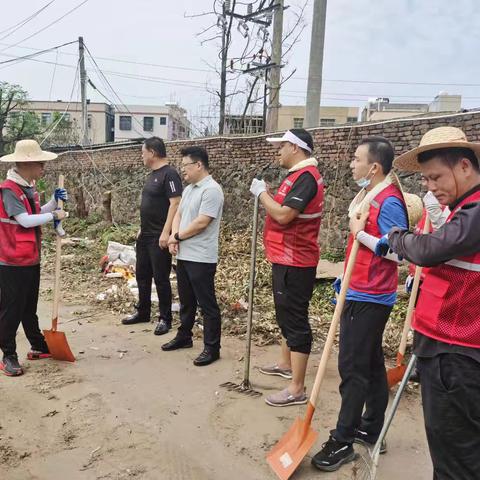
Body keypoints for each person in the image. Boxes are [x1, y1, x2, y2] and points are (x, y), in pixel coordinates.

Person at [376, 127, 480, 480]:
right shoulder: (462, 208)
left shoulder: (476, 211)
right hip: (446, 343)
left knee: (456, 455)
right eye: (425, 179)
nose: (430, 187)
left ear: (464, 166)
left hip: (457, 351)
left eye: (436, 177)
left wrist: (395, 235)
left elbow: (429, 251)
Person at [312, 137, 413, 472]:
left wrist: (360, 234)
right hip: (357, 291)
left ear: (374, 166)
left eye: (356, 159)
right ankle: (372, 429)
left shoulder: (389, 200)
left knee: (352, 369)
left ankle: (342, 440)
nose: (351, 165)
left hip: (372, 298)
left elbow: (400, 252)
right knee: (369, 368)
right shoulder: (370, 194)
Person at [249, 129, 324, 407]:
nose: (277, 151)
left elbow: (283, 215)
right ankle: (286, 364)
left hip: (296, 260)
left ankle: (296, 388)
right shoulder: (295, 176)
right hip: (283, 257)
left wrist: (262, 194)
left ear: (295, 147)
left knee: (295, 320)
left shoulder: (306, 178)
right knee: (285, 315)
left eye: (281, 146)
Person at [0, 139, 68, 376]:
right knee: (11, 309)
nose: (43, 168)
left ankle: (38, 345)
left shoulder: (28, 188)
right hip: (12, 261)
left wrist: (52, 201)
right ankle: (8, 354)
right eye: (41, 163)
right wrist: (54, 215)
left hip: (30, 258)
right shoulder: (9, 189)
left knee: (29, 307)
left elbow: (35, 214)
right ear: (27, 164)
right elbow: (25, 220)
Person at [162, 146, 224, 367]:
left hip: (202, 257)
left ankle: (212, 347)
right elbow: (179, 213)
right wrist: (174, 238)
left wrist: (176, 236)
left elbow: (202, 222)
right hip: (185, 255)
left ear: (199, 165)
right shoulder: (189, 189)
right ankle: (184, 335)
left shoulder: (212, 190)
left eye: (185, 166)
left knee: (207, 304)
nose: (183, 171)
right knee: (186, 300)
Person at [122, 137, 182, 336]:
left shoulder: (170, 174)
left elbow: (175, 204)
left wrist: (167, 232)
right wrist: (142, 227)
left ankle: (165, 318)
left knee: (161, 278)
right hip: (145, 234)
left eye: (143, 152)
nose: (142, 155)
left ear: (153, 152)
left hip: (159, 236)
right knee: (142, 275)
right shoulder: (152, 175)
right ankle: (143, 310)